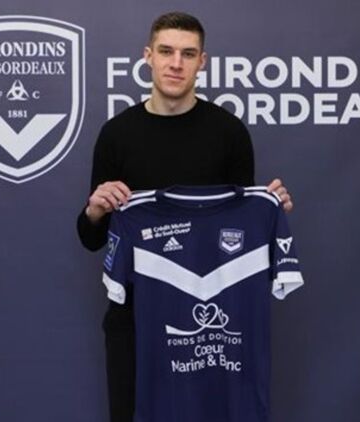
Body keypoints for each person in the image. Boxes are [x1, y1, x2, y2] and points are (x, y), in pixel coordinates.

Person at [76, 11, 293, 422]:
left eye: (188, 54)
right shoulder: (116, 134)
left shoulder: (228, 133)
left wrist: (267, 209)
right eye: (166, 51)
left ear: (202, 62)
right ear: (148, 56)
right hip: (135, 319)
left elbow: (236, 232)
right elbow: (91, 239)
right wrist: (95, 211)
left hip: (209, 322)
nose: (176, 63)